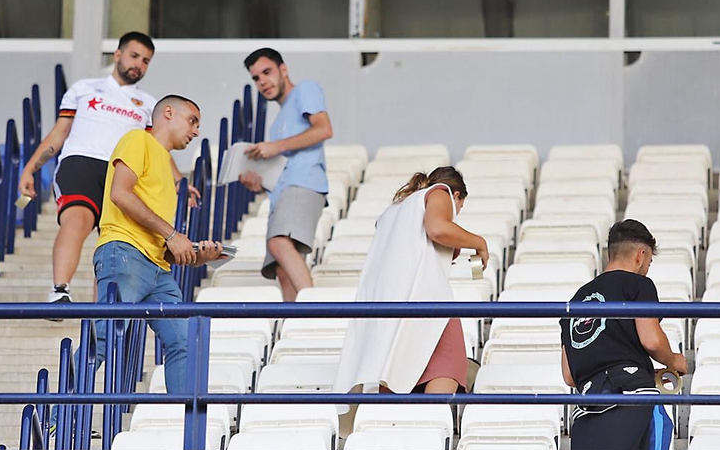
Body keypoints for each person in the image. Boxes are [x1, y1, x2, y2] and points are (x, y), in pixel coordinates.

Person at [20, 32, 165, 305]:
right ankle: (60, 291)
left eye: (146, 61)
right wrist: (30, 169)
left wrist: (180, 180)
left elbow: (157, 149)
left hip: (123, 172)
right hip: (81, 162)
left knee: (113, 245)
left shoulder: (149, 104)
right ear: (118, 54)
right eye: (134, 56)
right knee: (77, 220)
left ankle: (103, 315)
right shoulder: (84, 88)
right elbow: (59, 133)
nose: (139, 65)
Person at [93, 95, 224, 395]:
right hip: (125, 253)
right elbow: (120, 195)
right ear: (168, 113)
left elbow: (160, 239)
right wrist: (171, 234)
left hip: (157, 268)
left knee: (184, 340)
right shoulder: (138, 139)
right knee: (102, 339)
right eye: (192, 120)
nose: (196, 131)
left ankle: (183, 428)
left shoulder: (166, 168)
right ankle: (56, 421)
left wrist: (197, 255)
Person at [334, 167, 488, 418]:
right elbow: (438, 228)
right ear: (456, 195)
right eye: (459, 206)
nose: (456, 212)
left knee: (393, 378)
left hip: (390, 311)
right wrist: (478, 242)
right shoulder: (441, 192)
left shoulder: (396, 210)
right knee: (446, 371)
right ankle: (427, 439)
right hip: (429, 307)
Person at [560, 220, 688, 450]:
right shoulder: (638, 285)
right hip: (633, 400)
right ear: (640, 255)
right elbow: (651, 339)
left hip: (588, 412)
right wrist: (673, 361)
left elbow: (569, 375)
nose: (647, 268)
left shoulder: (576, 300)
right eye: (649, 262)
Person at [238, 48, 333, 301]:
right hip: (283, 192)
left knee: (279, 243)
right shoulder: (276, 123)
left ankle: (318, 313)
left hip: (303, 184)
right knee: (281, 270)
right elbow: (281, 167)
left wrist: (275, 147)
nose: (262, 82)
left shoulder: (305, 89)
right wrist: (257, 184)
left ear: (283, 69)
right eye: (256, 78)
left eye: (267, 72)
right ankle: (298, 330)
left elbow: (324, 129)